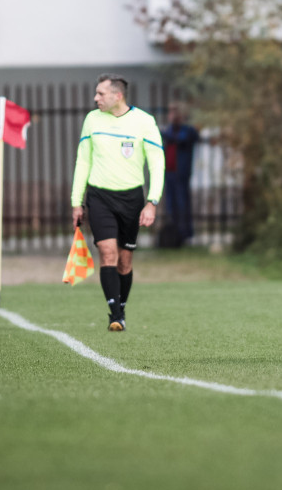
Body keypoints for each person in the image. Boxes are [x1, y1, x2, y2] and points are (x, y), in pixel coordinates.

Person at [71, 74, 165, 331]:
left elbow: (157, 163)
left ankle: (121, 306)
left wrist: (152, 201)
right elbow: (83, 162)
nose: (96, 98)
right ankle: (115, 314)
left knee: (125, 260)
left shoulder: (144, 122)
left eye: (101, 94)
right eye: (96, 93)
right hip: (99, 196)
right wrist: (76, 201)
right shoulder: (92, 119)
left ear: (117, 96)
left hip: (132, 198)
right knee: (107, 252)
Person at [159, 102, 199, 247]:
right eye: (170, 111)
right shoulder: (169, 130)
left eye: (175, 111)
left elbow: (183, 138)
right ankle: (174, 235)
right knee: (171, 205)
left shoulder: (187, 131)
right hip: (169, 173)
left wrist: (165, 132)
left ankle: (185, 234)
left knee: (182, 204)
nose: (172, 115)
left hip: (181, 174)